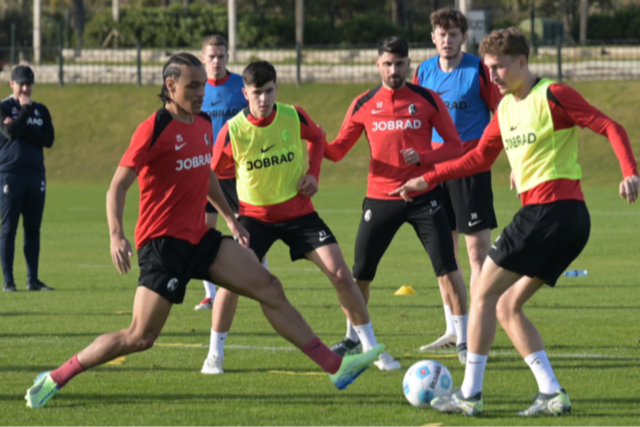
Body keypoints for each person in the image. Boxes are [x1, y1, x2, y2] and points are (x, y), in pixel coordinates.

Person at [24, 53, 384, 409]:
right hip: (163, 245)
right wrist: (116, 234)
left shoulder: (203, 122)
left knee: (269, 287)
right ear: (170, 86)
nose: (201, 92)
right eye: (192, 85)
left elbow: (206, 174)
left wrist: (230, 218)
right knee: (140, 336)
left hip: (200, 237)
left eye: (202, 85)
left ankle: (335, 367)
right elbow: (117, 186)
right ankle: (55, 377)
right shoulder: (153, 128)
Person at [391, 28, 639, 417]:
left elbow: (611, 126)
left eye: (500, 68)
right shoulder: (504, 110)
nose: (493, 77)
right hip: (566, 221)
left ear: (522, 62)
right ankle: (551, 392)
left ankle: (469, 395)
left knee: (483, 293)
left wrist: (629, 171)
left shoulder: (553, 95)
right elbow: (477, 159)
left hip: (550, 211)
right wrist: (429, 176)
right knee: (506, 305)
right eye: (488, 68)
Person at [201, 60, 396, 375]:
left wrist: (313, 174)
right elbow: (211, 176)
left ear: (276, 88)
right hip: (254, 219)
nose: (263, 99)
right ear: (244, 93)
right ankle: (214, 356)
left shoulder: (293, 115)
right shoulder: (233, 131)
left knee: (341, 274)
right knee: (231, 283)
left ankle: (372, 349)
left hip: (300, 214)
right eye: (256, 93)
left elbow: (318, 138)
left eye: (268, 91)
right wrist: (231, 216)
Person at [324, 37, 470, 364]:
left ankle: (463, 340)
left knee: (448, 268)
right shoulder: (363, 103)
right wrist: (314, 139)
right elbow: (337, 151)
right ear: (378, 64)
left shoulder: (427, 99)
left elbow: (455, 147)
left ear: (409, 64)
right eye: (388, 64)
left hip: (424, 197)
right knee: (360, 273)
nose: (394, 70)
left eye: (400, 63)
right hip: (380, 199)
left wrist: (422, 156)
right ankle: (352, 337)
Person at [413, 7, 502, 351]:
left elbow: (501, 112)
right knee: (443, 255)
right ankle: (453, 329)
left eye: (453, 34)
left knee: (477, 255)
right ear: (432, 37)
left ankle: (477, 330)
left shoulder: (479, 70)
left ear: (464, 38)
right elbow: (419, 117)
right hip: (435, 172)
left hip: (470, 171)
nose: (446, 40)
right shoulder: (423, 71)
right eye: (441, 34)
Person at [195, 34, 263, 311]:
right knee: (202, 233)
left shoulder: (240, 87)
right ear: (202, 58)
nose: (216, 61)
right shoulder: (196, 88)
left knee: (249, 232)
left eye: (221, 56)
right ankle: (211, 294)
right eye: (211, 56)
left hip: (239, 174)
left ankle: (259, 281)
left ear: (228, 57)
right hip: (205, 174)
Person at [0, 65, 54, 292]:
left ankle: (33, 280)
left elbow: (49, 140)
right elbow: (10, 134)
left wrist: (23, 130)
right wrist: (23, 112)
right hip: (11, 175)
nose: (25, 88)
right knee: (9, 229)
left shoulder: (41, 110)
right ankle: (9, 281)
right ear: (11, 83)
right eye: (20, 83)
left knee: (33, 230)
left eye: (28, 84)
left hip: (35, 175)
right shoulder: (3, 108)